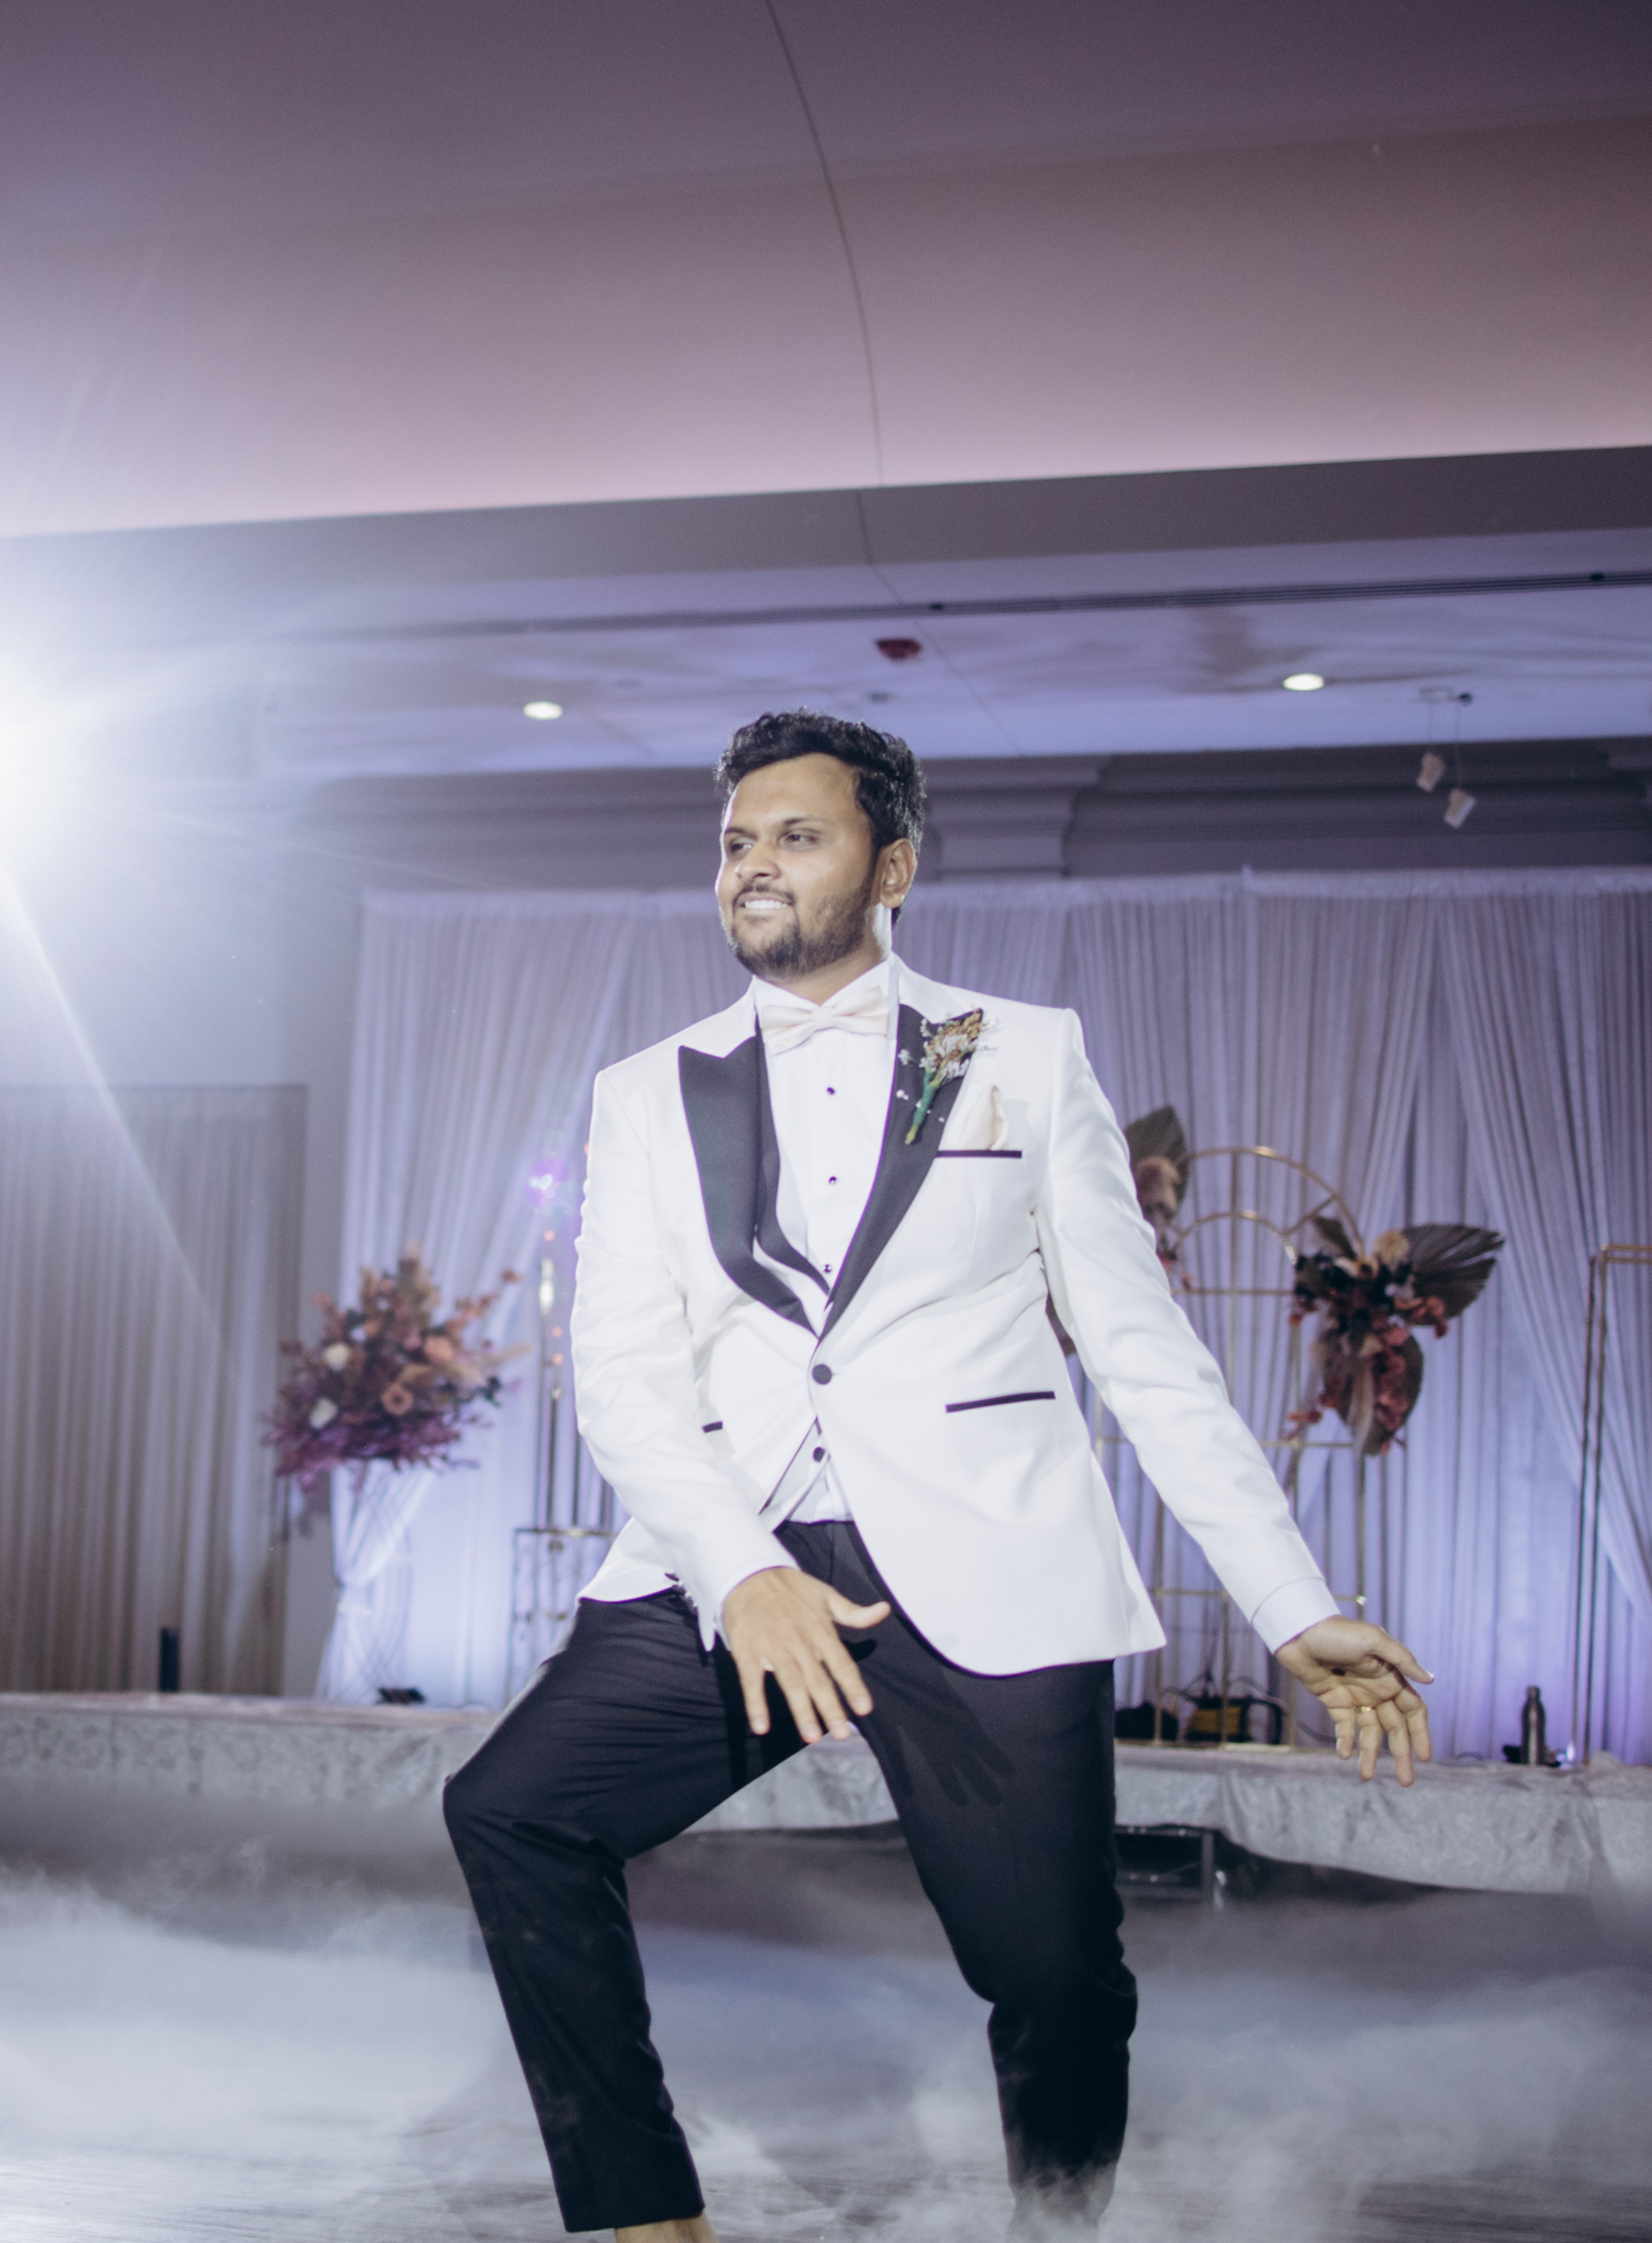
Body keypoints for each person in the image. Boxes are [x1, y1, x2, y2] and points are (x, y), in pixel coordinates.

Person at [442, 711, 1437, 2239]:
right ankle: (646, 2213)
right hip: (739, 1548)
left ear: (891, 865)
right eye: (734, 840)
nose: (752, 864)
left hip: (985, 1553)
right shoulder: (645, 1087)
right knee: (513, 1810)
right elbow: (624, 1372)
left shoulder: (1019, 1053)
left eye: (795, 835)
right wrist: (740, 1567)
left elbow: (1142, 1352)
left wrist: (1288, 1601)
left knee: (1052, 1971)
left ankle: (1056, 2227)